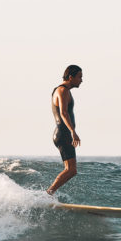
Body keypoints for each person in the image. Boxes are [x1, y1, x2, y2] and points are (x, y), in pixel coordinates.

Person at [46, 65, 83, 195]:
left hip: (63, 133)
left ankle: (50, 193)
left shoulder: (64, 90)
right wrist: (73, 131)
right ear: (70, 77)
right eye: (79, 77)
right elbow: (63, 113)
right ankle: (49, 193)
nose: (81, 80)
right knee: (71, 170)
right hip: (63, 134)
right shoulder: (63, 90)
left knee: (70, 169)